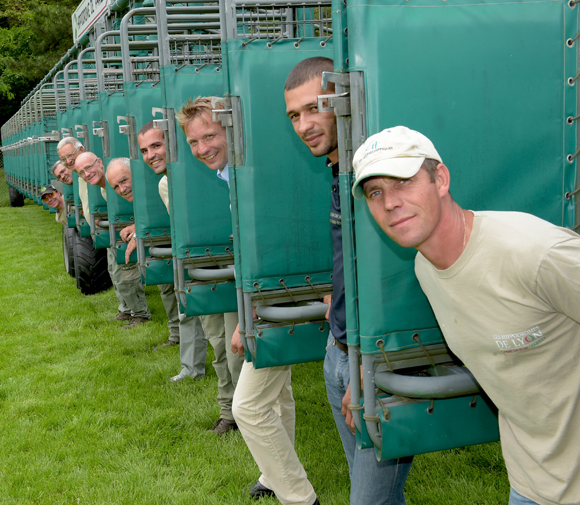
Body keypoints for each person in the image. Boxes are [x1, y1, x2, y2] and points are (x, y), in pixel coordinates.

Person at [350, 125, 580, 505]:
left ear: (440, 178)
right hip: (532, 481)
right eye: (376, 192)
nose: (390, 203)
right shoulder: (427, 267)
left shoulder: (535, 253)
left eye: (403, 182)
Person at [284, 58, 413, 505]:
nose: (303, 125)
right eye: (293, 116)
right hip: (339, 353)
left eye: (312, 108)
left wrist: (367, 362)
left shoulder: (375, 176)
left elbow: (396, 271)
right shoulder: (339, 171)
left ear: (343, 98)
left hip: (369, 361)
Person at [175, 98, 294, 485]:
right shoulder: (232, 174)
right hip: (276, 294)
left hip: (279, 294)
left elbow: (270, 247)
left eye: (209, 135)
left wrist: (250, 315)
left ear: (231, 129)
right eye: (193, 142)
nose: (202, 148)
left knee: (248, 406)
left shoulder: (248, 174)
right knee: (278, 393)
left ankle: (295, 492)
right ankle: (274, 475)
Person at [135, 123, 239, 434]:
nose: (152, 155)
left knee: (235, 348)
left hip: (232, 264)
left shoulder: (218, 169)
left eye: (156, 145)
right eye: (144, 150)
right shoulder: (166, 183)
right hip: (202, 266)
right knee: (218, 342)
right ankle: (229, 411)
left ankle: (245, 412)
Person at [75, 152, 151, 330]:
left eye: (89, 167)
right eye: (81, 172)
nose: (86, 174)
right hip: (122, 230)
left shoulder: (116, 179)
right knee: (115, 271)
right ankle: (127, 309)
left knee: (126, 272)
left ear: (99, 162)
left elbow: (146, 205)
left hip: (131, 230)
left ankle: (140, 314)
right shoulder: (105, 187)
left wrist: (136, 226)